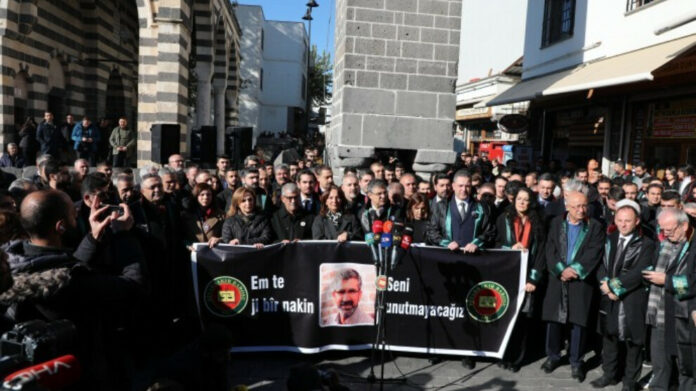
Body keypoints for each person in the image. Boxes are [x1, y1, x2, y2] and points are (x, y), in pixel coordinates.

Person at [541, 189, 604, 383]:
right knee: (554, 319)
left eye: (584, 205)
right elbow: (550, 248)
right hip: (557, 277)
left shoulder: (594, 226)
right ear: (567, 206)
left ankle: (577, 361)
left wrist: (575, 270)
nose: (581, 210)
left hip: (580, 280)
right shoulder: (556, 223)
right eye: (576, 206)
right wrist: (561, 269)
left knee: (579, 322)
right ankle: (553, 356)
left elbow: (594, 251)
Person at [591, 200, 655, 391]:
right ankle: (609, 374)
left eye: (627, 221)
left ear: (637, 221)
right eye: (619, 220)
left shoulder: (647, 244)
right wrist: (604, 284)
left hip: (632, 298)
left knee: (633, 341)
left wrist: (614, 288)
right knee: (609, 336)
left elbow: (639, 272)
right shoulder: (609, 238)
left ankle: (629, 381)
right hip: (608, 297)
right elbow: (600, 264)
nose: (623, 224)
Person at [644, 208, 696, 391]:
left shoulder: (693, 245)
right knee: (660, 363)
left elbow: (693, 282)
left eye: (670, 230)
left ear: (684, 225)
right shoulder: (664, 243)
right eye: (662, 230)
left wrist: (667, 281)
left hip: (683, 314)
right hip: (660, 312)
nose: (665, 234)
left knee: (686, 367)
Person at [495, 187, 546, 372]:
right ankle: (504, 354)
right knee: (505, 317)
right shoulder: (504, 219)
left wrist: (534, 279)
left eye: (526, 199)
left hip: (528, 278)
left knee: (523, 319)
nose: (522, 203)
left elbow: (541, 252)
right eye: (519, 199)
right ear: (513, 200)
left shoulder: (538, 222)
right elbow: (495, 243)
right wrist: (510, 247)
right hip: (507, 275)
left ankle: (517, 358)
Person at [426, 170, 495, 252]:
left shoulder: (482, 207)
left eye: (467, 186)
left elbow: (489, 231)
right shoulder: (441, 206)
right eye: (460, 186)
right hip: (448, 257)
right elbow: (432, 231)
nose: (464, 189)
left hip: (474, 257)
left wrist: (477, 243)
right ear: (453, 186)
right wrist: (446, 243)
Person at [181, 183, 224, 250]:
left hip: (215, 254)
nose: (205, 197)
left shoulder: (221, 215)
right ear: (196, 196)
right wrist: (188, 245)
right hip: (193, 253)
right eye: (202, 195)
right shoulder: (185, 215)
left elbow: (228, 236)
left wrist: (219, 239)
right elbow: (180, 236)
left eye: (208, 194)